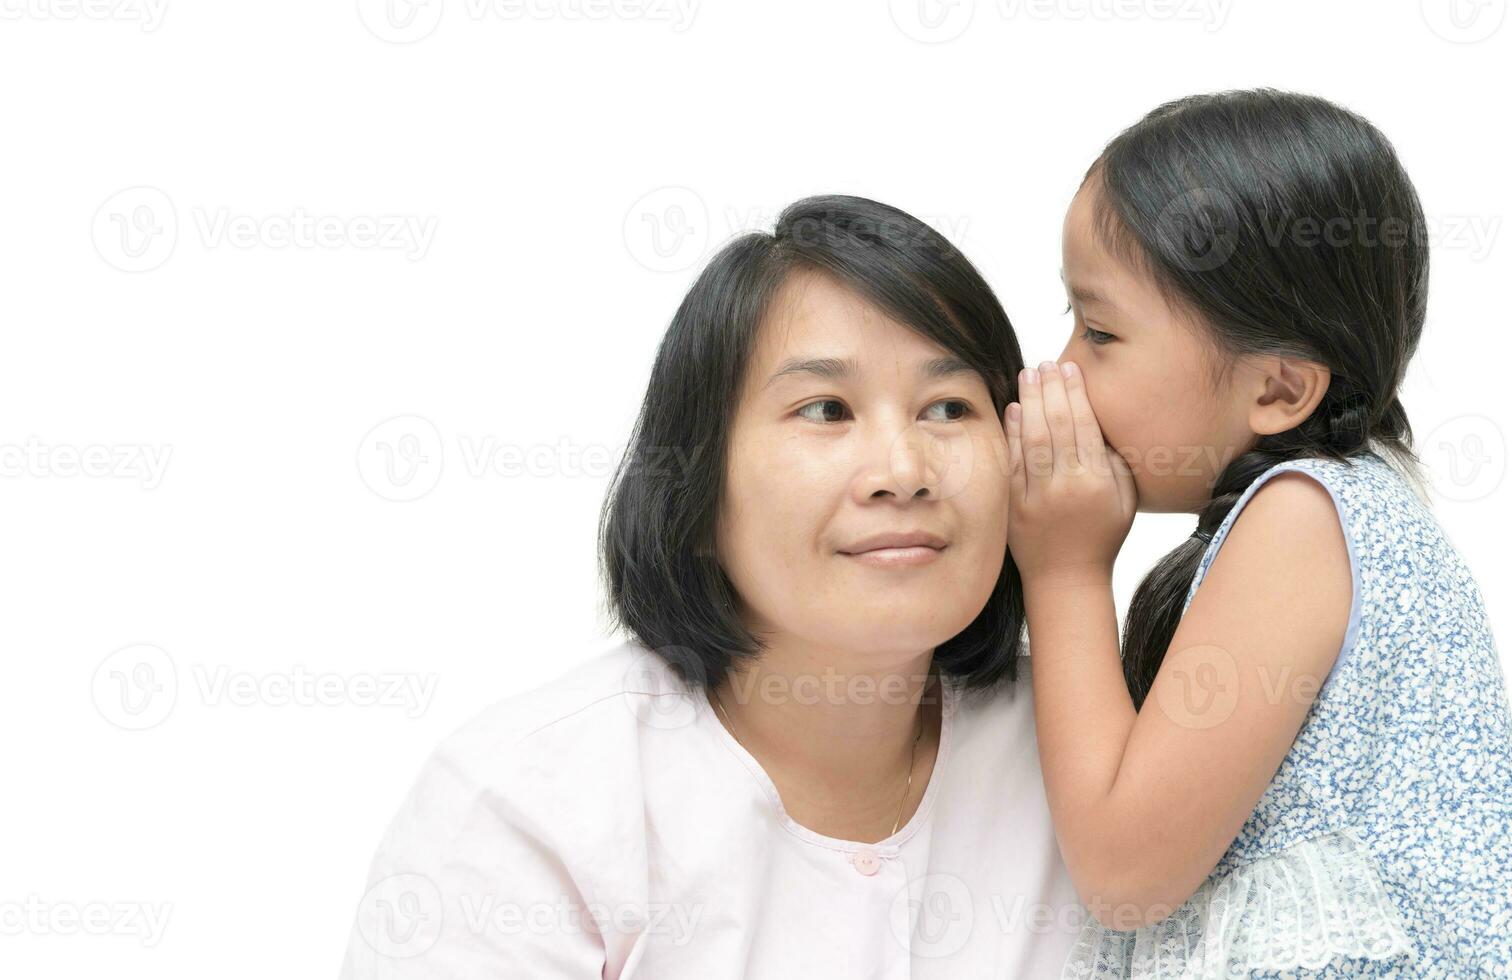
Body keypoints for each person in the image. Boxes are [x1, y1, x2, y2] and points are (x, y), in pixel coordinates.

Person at [337, 195, 1085, 978]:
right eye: (826, 410)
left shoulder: (1087, 758)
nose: (902, 472)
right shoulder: (530, 803)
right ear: (695, 490)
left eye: (948, 407)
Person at [1004, 89, 1512, 977]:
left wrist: (1064, 570)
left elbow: (1125, 871)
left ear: (1279, 389)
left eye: (1101, 331)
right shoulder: (1339, 505)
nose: (1064, 374)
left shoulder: (1301, 519)